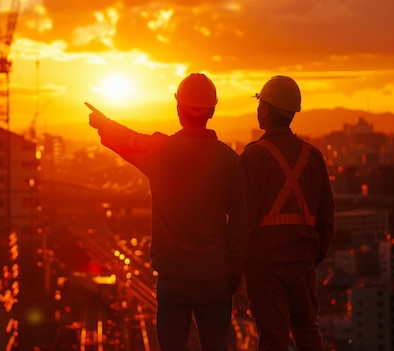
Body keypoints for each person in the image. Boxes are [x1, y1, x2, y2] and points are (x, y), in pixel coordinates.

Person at [86, 73, 249, 351]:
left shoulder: (161, 151)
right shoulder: (229, 160)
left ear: (178, 109)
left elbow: (130, 141)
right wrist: (235, 271)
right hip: (215, 277)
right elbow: (241, 223)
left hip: (173, 275)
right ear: (212, 110)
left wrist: (104, 125)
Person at [240, 75, 335, 350]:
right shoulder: (313, 156)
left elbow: (245, 219)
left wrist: (239, 262)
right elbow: (326, 218)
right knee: (308, 334)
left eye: (260, 106)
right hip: (303, 261)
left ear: (266, 110)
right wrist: (313, 255)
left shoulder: (253, 158)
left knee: (274, 337)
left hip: (265, 265)